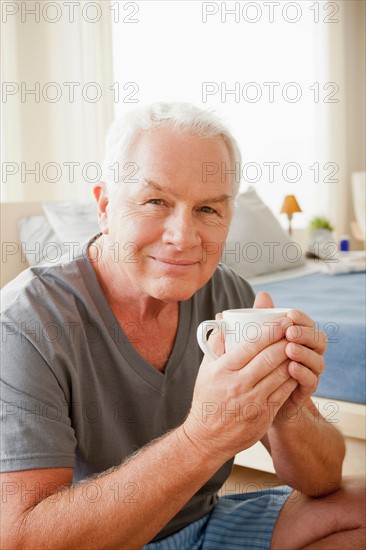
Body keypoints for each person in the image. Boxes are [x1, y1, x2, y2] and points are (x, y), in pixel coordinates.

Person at [1, 102, 364, 550]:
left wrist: (286, 407)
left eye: (208, 209)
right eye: (156, 201)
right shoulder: (25, 324)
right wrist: (203, 440)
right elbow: (21, 539)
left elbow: (322, 479)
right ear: (105, 206)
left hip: (204, 526)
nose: (183, 236)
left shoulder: (230, 297)